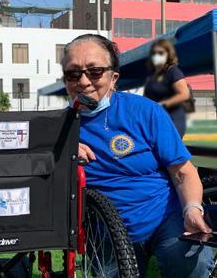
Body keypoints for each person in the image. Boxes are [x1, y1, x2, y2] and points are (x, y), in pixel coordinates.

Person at [62, 34, 214, 278]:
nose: (83, 81)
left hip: (164, 216)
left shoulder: (145, 112)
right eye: (73, 73)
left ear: (113, 79)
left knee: (188, 265)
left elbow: (183, 171)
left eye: (95, 71)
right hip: (105, 228)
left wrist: (193, 210)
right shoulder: (58, 127)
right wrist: (63, 149)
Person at [144, 39, 190, 138]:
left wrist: (162, 104)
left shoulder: (173, 71)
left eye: (160, 53)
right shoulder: (152, 74)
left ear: (168, 54)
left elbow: (184, 94)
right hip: (155, 120)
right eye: (154, 53)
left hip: (172, 120)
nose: (157, 56)